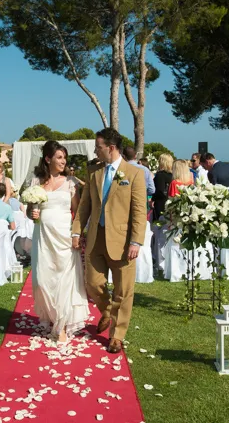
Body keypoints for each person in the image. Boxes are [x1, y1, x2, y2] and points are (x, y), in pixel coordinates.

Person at [72, 128, 147, 354]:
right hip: (96, 238)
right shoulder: (93, 171)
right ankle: (106, 311)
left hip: (124, 242)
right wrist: (76, 231)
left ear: (111, 148)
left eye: (98, 147)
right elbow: (85, 206)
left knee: (124, 290)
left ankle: (117, 335)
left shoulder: (134, 174)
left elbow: (138, 211)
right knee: (92, 283)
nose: (96, 150)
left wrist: (136, 241)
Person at [23, 141, 88, 343]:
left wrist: (77, 234)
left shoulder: (71, 183)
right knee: (42, 281)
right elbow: (29, 210)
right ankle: (52, 317)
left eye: (64, 158)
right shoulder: (36, 183)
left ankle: (60, 325)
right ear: (48, 159)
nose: (63, 161)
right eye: (59, 157)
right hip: (42, 236)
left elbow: (77, 212)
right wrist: (31, 212)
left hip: (64, 237)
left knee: (63, 280)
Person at [152, 153, 174, 222]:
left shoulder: (160, 175)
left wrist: (153, 199)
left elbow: (160, 191)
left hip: (161, 203)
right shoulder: (172, 175)